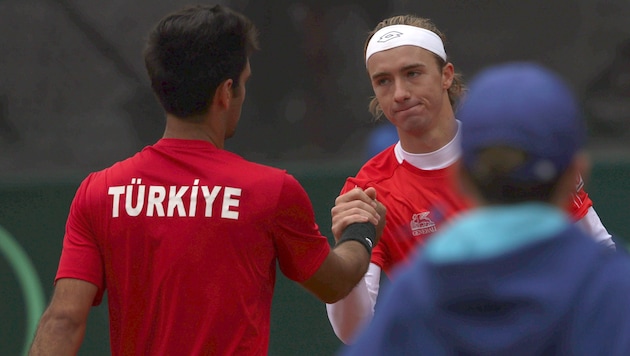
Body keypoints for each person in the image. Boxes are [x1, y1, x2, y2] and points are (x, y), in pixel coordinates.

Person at [28, 4, 385, 355]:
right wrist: (362, 231)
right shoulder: (271, 192)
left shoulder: (99, 192)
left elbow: (63, 321)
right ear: (225, 93)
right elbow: (335, 282)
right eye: (243, 84)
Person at [326, 14, 616, 344]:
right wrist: (350, 247)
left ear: (446, 75)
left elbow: (599, 251)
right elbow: (353, 332)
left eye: (413, 73)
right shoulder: (368, 192)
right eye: (383, 81)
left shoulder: (515, 151)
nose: (400, 93)